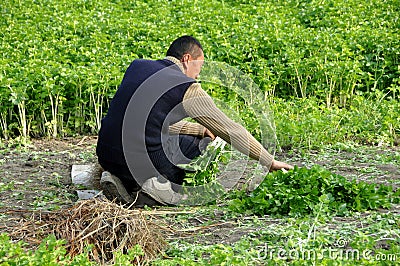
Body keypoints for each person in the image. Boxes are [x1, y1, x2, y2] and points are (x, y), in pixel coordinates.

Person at [96, 35, 293, 206]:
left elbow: (146, 123)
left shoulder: (137, 67)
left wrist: (196, 128)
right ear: (187, 59)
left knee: (190, 137)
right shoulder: (186, 86)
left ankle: (119, 179)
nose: (199, 73)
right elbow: (230, 130)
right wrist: (270, 161)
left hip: (105, 155)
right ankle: (155, 188)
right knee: (198, 145)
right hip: (140, 163)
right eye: (200, 66)